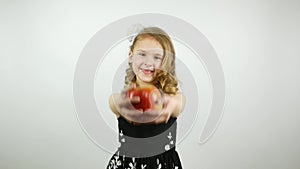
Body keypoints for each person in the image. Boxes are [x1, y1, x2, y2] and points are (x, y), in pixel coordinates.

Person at [106, 26, 185, 169]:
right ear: (131, 56)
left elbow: (179, 102)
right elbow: (113, 101)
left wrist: (169, 104)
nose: (148, 62)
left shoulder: (172, 96)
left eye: (156, 57)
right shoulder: (123, 99)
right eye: (142, 54)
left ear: (165, 62)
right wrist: (123, 105)